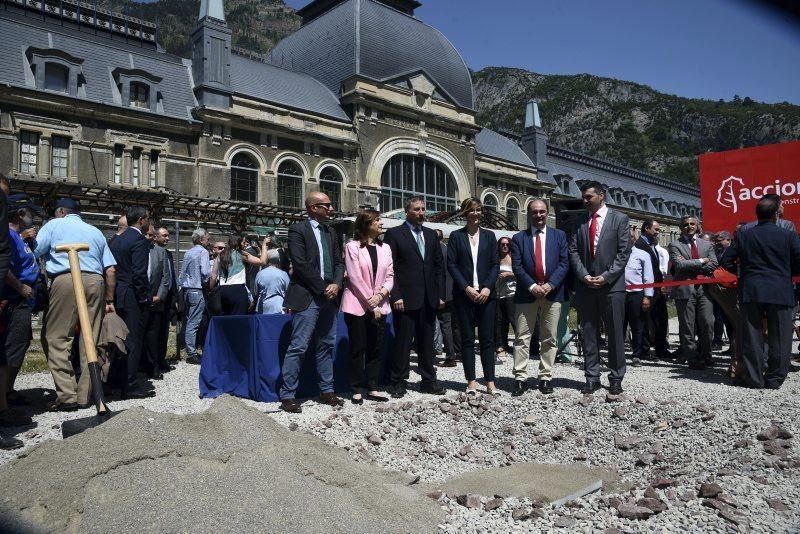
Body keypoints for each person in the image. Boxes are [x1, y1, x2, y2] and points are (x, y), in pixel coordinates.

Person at [34, 198, 116, 411]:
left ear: (60, 211)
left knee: (56, 337)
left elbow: (35, 251)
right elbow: (110, 269)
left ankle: (67, 395)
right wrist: (109, 299)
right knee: (91, 339)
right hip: (96, 281)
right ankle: (86, 395)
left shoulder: (53, 225)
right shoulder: (95, 231)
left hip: (67, 277)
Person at [721, 196, 800, 389]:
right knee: (780, 338)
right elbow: (798, 263)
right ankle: (774, 379)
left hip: (751, 290)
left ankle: (754, 379)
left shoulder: (743, 235)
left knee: (752, 336)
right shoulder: (788, 235)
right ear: (776, 214)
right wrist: (786, 274)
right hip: (780, 290)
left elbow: (726, 261)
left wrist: (744, 275)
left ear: (757, 214)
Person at [279, 192, 345, 413]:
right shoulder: (298, 230)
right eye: (327, 205)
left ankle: (327, 391)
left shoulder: (331, 231)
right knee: (298, 346)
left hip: (330, 296)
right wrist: (322, 287)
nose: (331, 209)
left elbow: (338, 262)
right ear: (313, 207)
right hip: (309, 296)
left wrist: (336, 284)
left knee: (326, 345)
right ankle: (288, 395)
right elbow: (300, 263)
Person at [568, 181, 632, 395]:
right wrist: (584, 275)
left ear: (601, 195)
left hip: (612, 287)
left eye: (588, 197)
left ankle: (615, 376)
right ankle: (592, 376)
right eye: (583, 197)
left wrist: (606, 277)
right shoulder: (579, 222)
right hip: (586, 286)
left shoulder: (619, 219)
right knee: (589, 333)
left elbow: (624, 253)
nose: (584, 201)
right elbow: (573, 252)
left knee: (614, 334)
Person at [384, 196, 446, 398]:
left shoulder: (430, 235)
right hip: (405, 299)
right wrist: (396, 295)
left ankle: (428, 380)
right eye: (417, 210)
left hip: (428, 298)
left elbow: (438, 267)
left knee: (426, 342)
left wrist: (439, 294)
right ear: (407, 212)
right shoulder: (394, 234)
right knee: (403, 343)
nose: (421, 213)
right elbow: (389, 268)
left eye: (423, 209)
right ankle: (398, 381)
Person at [510, 199, 569, 395]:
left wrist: (551, 285)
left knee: (549, 337)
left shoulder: (559, 236)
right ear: (529, 214)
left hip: (553, 293)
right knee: (522, 337)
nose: (539, 215)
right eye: (535, 212)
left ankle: (545, 377)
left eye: (542, 211)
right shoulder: (519, 238)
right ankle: (520, 378)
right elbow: (517, 266)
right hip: (527, 293)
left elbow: (564, 263)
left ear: (547, 213)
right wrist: (533, 286)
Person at [340, 209, 393, 404]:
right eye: (377, 220)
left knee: (376, 348)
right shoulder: (352, 247)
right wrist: (372, 304)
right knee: (358, 347)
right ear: (366, 224)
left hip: (380, 304)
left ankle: (372, 386)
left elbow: (390, 276)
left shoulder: (385, 248)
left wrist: (380, 295)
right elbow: (354, 277)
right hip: (357, 305)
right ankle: (356, 387)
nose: (381, 223)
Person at [447, 198, 499, 395]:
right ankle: (471, 381)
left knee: (487, 340)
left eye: (479, 210)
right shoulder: (456, 236)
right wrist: (466, 288)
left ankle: (490, 381)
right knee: (467, 339)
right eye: (472, 210)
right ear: (465, 213)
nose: (476, 214)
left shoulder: (490, 236)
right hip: (464, 295)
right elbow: (451, 264)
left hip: (487, 295)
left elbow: (495, 264)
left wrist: (487, 287)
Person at [0, 194, 39, 426]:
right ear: (18, 214)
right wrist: (20, 286)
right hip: (14, 301)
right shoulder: (10, 237)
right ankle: (3, 404)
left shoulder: (19, 238)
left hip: (23, 302)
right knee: (8, 352)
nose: (31, 217)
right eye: (28, 212)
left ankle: (8, 391)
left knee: (18, 346)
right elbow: (4, 267)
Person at [109, 206, 152, 397]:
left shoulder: (116, 240)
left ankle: (114, 380)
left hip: (117, 292)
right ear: (141, 220)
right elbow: (139, 273)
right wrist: (144, 296)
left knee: (118, 338)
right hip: (132, 295)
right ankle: (130, 385)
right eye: (148, 219)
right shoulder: (139, 240)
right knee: (133, 339)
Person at [668, 216, 718, 370]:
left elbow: (715, 264)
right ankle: (692, 357)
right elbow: (679, 265)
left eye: (692, 224)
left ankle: (706, 354)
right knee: (687, 326)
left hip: (704, 289)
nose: (689, 227)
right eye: (685, 225)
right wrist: (703, 261)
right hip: (685, 288)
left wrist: (690, 264)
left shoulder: (707, 244)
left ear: (697, 226)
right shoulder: (675, 245)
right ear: (680, 228)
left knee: (707, 322)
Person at [635, 219, 669, 360]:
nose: (658, 233)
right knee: (646, 321)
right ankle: (645, 350)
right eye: (656, 229)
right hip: (647, 289)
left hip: (657, 289)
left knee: (661, 319)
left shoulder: (651, 245)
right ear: (646, 228)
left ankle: (661, 349)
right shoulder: (640, 246)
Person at [141, 224, 171, 380]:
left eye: (152, 234)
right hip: (138, 300)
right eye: (147, 234)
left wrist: (159, 296)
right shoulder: (137, 250)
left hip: (155, 300)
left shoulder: (160, 253)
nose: (150, 237)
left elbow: (165, 278)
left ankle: (153, 367)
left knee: (154, 336)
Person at [209, 235, 266, 315]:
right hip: (238, 290)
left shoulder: (220, 255)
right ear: (238, 243)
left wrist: (210, 289)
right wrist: (264, 245)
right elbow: (262, 262)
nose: (245, 244)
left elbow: (213, 276)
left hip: (223, 290)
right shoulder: (241, 254)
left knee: (226, 319)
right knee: (238, 320)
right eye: (243, 242)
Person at [178, 228, 211, 365]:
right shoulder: (203, 252)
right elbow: (205, 272)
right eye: (207, 239)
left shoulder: (188, 252)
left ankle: (188, 348)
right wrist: (208, 281)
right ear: (201, 239)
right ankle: (191, 353)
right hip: (197, 289)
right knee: (194, 322)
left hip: (187, 289)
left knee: (188, 320)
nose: (209, 241)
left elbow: (182, 273)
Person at [624, 241, 654, 366]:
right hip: (619, 293)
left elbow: (648, 276)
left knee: (637, 326)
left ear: (633, 240)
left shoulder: (643, 254)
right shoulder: (614, 253)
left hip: (636, 294)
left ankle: (636, 354)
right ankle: (617, 354)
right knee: (618, 325)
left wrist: (647, 296)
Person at [436, 229, 461, 368]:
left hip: (442, 294)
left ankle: (450, 356)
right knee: (454, 325)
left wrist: (441, 296)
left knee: (445, 325)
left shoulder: (437, 251)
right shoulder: (448, 250)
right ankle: (457, 352)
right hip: (453, 292)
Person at [155, 227, 177, 370]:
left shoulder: (168, 254)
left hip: (168, 297)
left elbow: (171, 276)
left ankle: (161, 359)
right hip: (156, 296)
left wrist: (175, 296)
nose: (167, 238)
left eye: (168, 236)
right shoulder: (152, 252)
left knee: (164, 330)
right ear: (156, 237)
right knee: (155, 330)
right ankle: (153, 361)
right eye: (164, 236)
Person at [494, 236, 516, 362]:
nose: (505, 246)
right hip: (497, 293)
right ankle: (501, 345)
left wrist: (509, 274)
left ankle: (520, 346)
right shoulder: (496, 258)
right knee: (499, 321)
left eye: (507, 244)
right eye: (502, 244)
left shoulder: (513, 258)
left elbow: (520, 273)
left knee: (513, 319)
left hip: (511, 293)